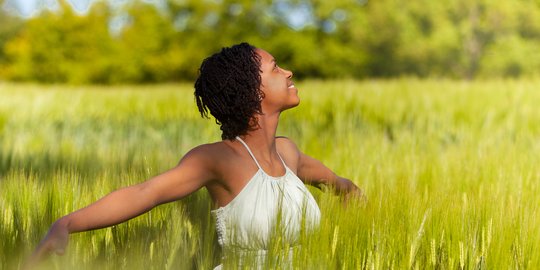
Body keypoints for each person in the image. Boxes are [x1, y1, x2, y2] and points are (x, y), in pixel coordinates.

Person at [27, 42, 363, 269]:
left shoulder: (289, 154)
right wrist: (66, 224)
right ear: (253, 90)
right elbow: (146, 192)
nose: (288, 72)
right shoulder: (218, 160)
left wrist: (355, 200)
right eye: (276, 69)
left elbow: (341, 186)